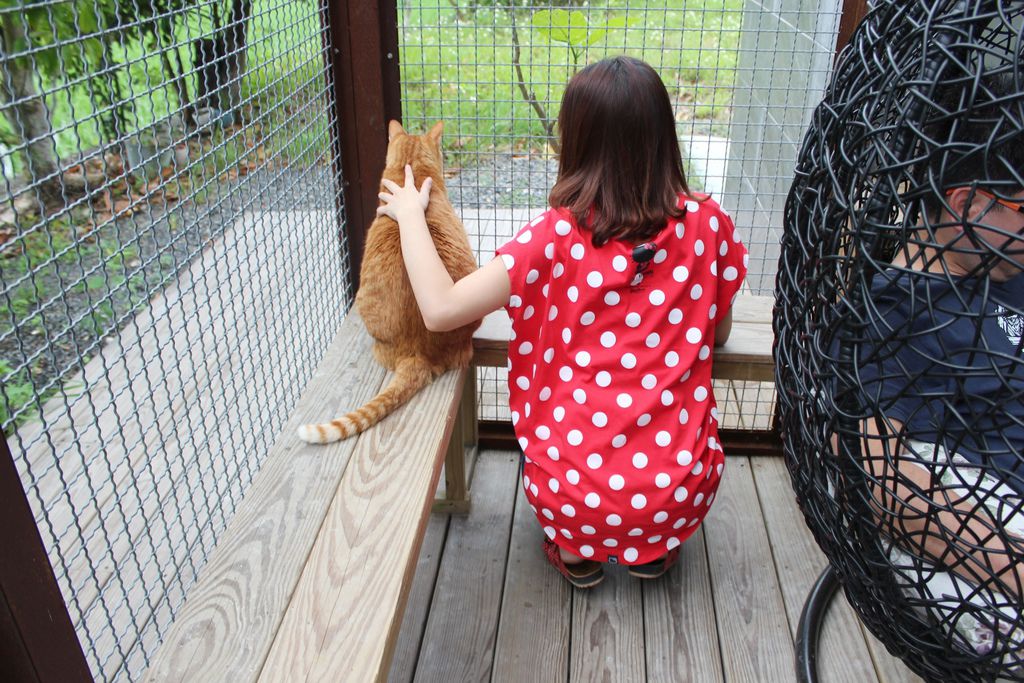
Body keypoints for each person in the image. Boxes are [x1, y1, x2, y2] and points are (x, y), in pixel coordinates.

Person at [377, 56, 748, 588]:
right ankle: (651, 554)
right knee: (658, 511)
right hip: (677, 494)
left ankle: (577, 555)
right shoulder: (710, 225)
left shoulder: (551, 239)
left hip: (572, 494)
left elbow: (440, 309)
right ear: (664, 138)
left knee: (572, 497)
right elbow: (718, 332)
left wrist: (413, 216)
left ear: (576, 142)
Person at [857, 72, 1024, 653]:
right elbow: (882, 480)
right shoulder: (897, 313)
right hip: (984, 528)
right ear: (967, 202)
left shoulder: (1008, 267)